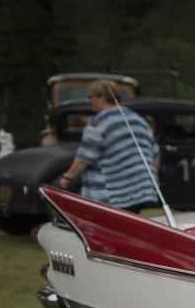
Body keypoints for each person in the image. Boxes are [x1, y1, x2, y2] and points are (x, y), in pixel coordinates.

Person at [54, 79, 159, 211]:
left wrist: (67, 177)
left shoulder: (98, 123)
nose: (89, 101)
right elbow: (155, 154)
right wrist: (151, 178)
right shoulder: (138, 120)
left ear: (101, 97)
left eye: (90, 97)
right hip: (139, 192)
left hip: (111, 194)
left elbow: (85, 157)